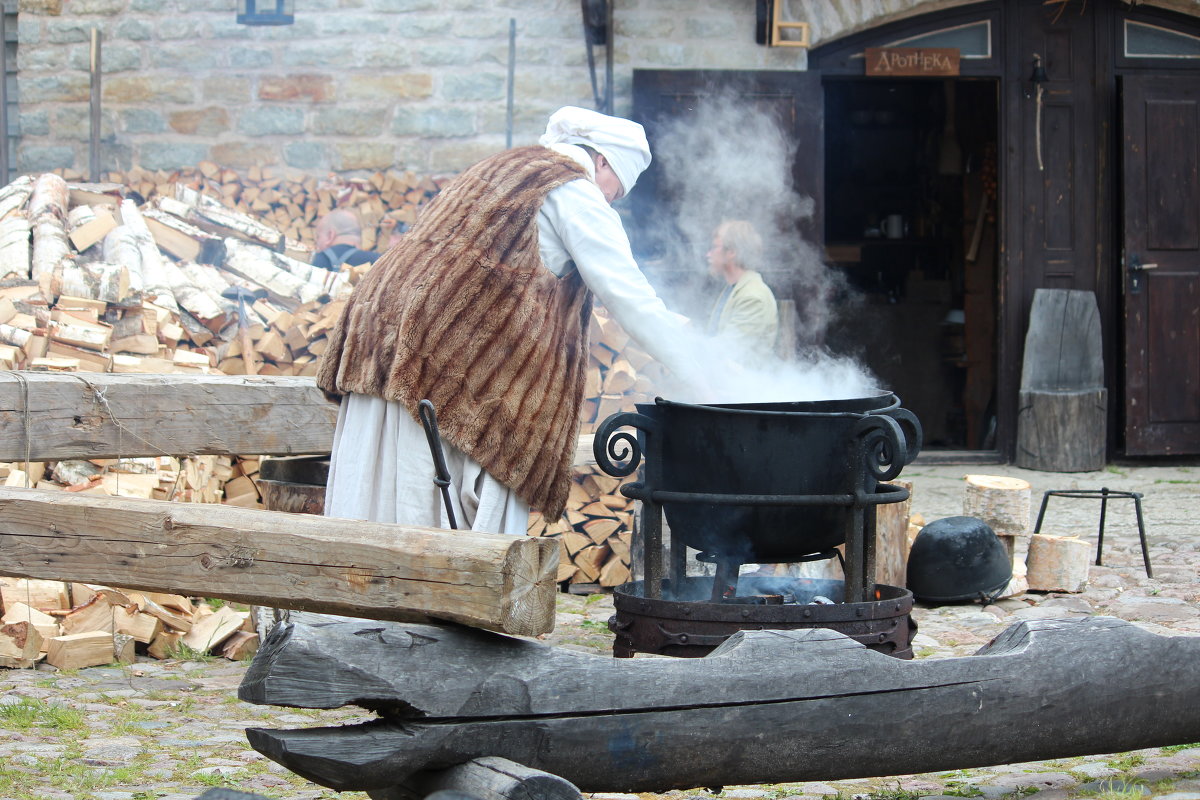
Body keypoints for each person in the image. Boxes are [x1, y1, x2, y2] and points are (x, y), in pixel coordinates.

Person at [315, 106, 710, 534]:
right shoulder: (573, 189)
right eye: (617, 186)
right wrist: (703, 369)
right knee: (429, 512)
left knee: (376, 496)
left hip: (379, 337)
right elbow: (629, 296)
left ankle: (370, 584)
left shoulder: (502, 165)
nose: (613, 197)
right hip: (438, 359)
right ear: (601, 160)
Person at [705, 219, 779, 364]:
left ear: (731, 252)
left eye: (714, 247)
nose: (708, 254)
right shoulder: (734, 288)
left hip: (743, 384)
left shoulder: (752, 296)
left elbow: (728, 349)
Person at [312, 209, 381, 271]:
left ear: (330, 235)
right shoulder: (379, 262)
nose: (316, 242)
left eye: (318, 237)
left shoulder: (317, 261)